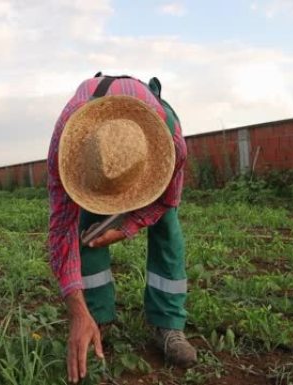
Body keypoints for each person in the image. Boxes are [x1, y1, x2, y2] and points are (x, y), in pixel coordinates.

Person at [47, 73, 196, 383]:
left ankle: (168, 323)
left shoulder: (171, 143)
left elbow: (166, 202)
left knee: (166, 228)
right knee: (88, 229)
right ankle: (95, 319)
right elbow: (62, 230)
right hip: (91, 146)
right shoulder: (67, 143)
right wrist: (76, 310)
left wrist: (130, 226)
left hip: (151, 135)